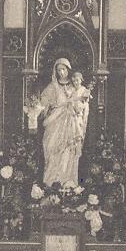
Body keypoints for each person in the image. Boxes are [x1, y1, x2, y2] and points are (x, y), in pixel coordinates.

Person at [40, 58, 89, 187]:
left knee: (68, 151)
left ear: (68, 70)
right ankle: (51, 182)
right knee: (51, 147)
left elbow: (82, 105)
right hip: (54, 122)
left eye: (63, 69)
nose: (61, 72)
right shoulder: (53, 86)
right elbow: (43, 102)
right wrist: (47, 106)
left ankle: (67, 181)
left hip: (70, 123)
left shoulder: (75, 86)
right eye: (58, 70)